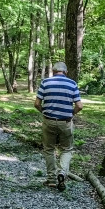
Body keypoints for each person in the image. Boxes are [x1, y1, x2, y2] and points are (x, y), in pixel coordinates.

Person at [33, 61, 84, 191]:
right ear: (65, 72)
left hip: (48, 121)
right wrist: (71, 114)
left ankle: (51, 180)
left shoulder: (45, 82)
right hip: (65, 122)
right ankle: (62, 173)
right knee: (66, 149)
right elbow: (79, 106)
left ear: (54, 72)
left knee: (49, 149)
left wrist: (44, 112)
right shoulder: (72, 84)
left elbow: (37, 103)